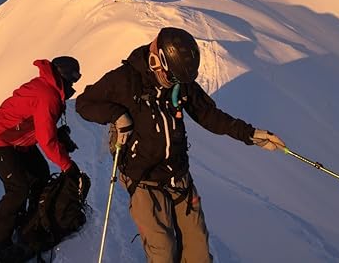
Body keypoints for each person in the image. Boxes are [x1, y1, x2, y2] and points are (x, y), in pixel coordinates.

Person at [75, 27, 285, 263]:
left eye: (180, 80)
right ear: (158, 60)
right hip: (142, 177)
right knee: (163, 252)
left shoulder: (180, 81)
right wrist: (118, 115)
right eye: (172, 77)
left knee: (199, 255)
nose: (175, 84)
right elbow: (84, 104)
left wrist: (251, 134)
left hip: (178, 176)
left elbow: (209, 115)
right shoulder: (126, 79)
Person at [0, 56, 82, 263]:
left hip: (17, 140)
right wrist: (66, 165)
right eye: (74, 78)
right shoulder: (48, 96)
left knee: (40, 174)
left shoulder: (50, 89)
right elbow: (46, 139)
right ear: (63, 76)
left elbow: (40, 125)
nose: (74, 84)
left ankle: (30, 224)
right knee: (18, 188)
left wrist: (59, 137)